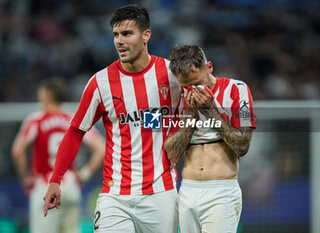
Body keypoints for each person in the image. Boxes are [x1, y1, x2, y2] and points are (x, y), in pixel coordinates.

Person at [43, 5, 181, 233]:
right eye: (116, 35)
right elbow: (76, 131)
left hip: (160, 193)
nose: (119, 41)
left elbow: (194, 112)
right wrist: (55, 179)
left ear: (146, 35)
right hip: (115, 196)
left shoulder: (171, 74)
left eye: (127, 34)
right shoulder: (100, 82)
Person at [165, 45, 256, 233]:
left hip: (221, 192)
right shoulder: (177, 98)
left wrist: (212, 112)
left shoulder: (238, 90)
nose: (192, 91)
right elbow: (171, 154)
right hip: (186, 191)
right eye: (186, 87)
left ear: (209, 67)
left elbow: (243, 146)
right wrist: (190, 118)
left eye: (198, 84)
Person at [11, 78, 105, 233]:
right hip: (70, 186)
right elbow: (101, 148)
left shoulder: (36, 120)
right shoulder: (72, 119)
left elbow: (17, 151)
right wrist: (84, 175)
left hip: (45, 186)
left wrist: (25, 178)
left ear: (47, 96)